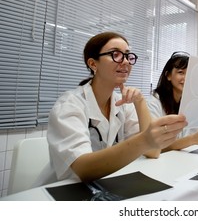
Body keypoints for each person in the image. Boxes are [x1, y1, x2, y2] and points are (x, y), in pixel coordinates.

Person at [47, 32, 187, 182]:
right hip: (66, 190)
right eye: (116, 54)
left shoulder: (123, 104)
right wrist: (145, 140)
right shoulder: (70, 104)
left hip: (107, 183)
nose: (125, 61)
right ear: (93, 64)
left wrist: (139, 102)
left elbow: (153, 152)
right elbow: (83, 168)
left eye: (127, 55)